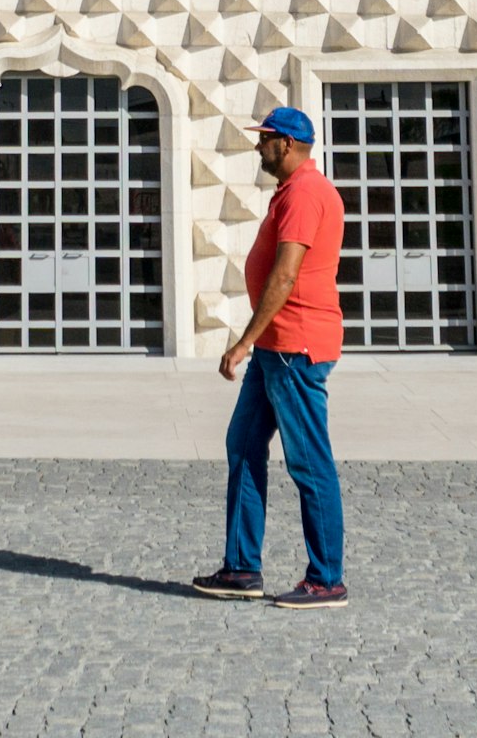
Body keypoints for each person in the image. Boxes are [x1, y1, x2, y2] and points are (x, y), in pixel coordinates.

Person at [191, 106, 346, 610]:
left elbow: (285, 275)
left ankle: (326, 580)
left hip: (294, 348)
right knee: (243, 443)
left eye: (264, 140)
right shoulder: (293, 191)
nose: (258, 148)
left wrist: (242, 341)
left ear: (287, 143)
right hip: (275, 349)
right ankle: (241, 568)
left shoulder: (304, 193)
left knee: (308, 461)